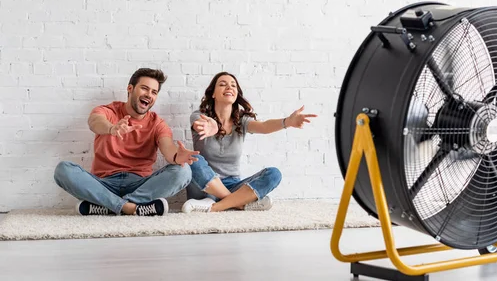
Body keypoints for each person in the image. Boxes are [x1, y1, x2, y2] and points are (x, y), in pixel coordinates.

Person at [54, 68, 207, 216]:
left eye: (154, 92)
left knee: (184, 171)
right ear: (130, 88)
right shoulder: (109, 111)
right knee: (63, 169)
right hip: (104, 184)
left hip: (140, 185)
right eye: (144, 89)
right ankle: (132, 208)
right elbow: (95, 121)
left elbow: (168, 148)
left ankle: (109, 206)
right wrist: (112, 128)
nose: (149, 95)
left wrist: (176, 157)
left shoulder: (157, 123)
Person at [181, 71, 317, 213]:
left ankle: (217, 206)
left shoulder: (241, 121)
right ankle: (238, 203)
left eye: (233, 85)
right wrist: (211, 126)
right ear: (213, 94)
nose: (229, 87)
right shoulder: (199, 116)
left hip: (232, 184)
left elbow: (264, 127)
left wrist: (287, 122)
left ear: (236, 94)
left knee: (274, 174)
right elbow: (198, 124)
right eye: (222, 84)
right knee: (194, 159)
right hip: (204, 186)